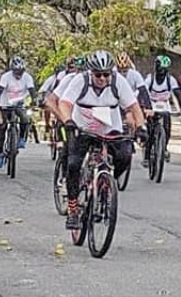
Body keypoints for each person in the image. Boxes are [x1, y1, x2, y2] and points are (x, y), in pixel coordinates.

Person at [57, 50, 147, 231]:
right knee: (73, 165)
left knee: (125, 155)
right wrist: (68, 121)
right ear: (91, 72)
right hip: (83, 129)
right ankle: (73, 208)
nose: (102, 78)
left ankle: (106, 185)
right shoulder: (80, 81)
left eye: (106, 74)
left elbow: (134, 106)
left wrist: (140, 127)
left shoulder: (118, 82)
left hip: (110, 129)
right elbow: (64, 103)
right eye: (98, 75)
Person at [0, 56, 36, 166]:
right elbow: (0, 90)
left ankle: (21, 138)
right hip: (5, 104)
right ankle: (0, 153)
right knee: (2, 126)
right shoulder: (6, 77)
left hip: (19, 104)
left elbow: (32, 91)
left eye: (21, 72)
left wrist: (34, 101)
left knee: (25, 118)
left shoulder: (27, 78)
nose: (18, 75)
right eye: (16, 72)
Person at [144, 55, 181, 164]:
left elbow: (177, 93)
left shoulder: (170, 80)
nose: (161, 73)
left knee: (167, 127)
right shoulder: (150, 79)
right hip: (152, 105)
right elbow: (143, 93)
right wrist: (145, 107)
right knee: (149, 130)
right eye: (160, 69)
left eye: (164, 70)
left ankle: (164, 147)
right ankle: (147, 154)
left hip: (165, 105)